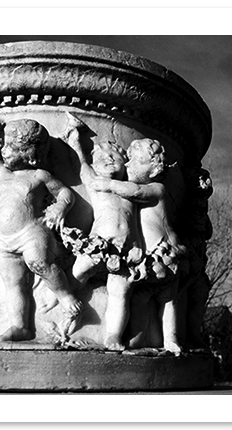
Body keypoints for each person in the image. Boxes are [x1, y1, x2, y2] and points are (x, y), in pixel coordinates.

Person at [0, 112, 81, 342]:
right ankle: (20, 327)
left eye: (9, 147)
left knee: (40, 262)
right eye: (3, 146)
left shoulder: (39, 175)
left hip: (31, 233)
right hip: (3, 241)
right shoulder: (3, 175)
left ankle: (65, 295)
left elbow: (65, 193)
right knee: (13, 284)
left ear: (29, 153)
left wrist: (59, 209)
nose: (3, 151)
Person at [89, 138, 187, 353]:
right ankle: (128, 336)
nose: (127, 164)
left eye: (134, 161)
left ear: (153, 170)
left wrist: (110, 184)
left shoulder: (157, 189)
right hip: (146, 259)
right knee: (139, 296)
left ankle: (171, 338)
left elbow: (136, 192)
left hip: (164, 254)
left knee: (168, 299)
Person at [62, 113, 144, 351]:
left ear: (125, 163)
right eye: (102, 158)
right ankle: (63, 310)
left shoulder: (128, 188)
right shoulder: (96, 184)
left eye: (114, 157)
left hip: (127, 250)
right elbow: (81, 163)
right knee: (74, 278)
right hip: (99, 244)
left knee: (120, 293)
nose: (108, 160)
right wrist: (75, 137)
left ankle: (113, 336)